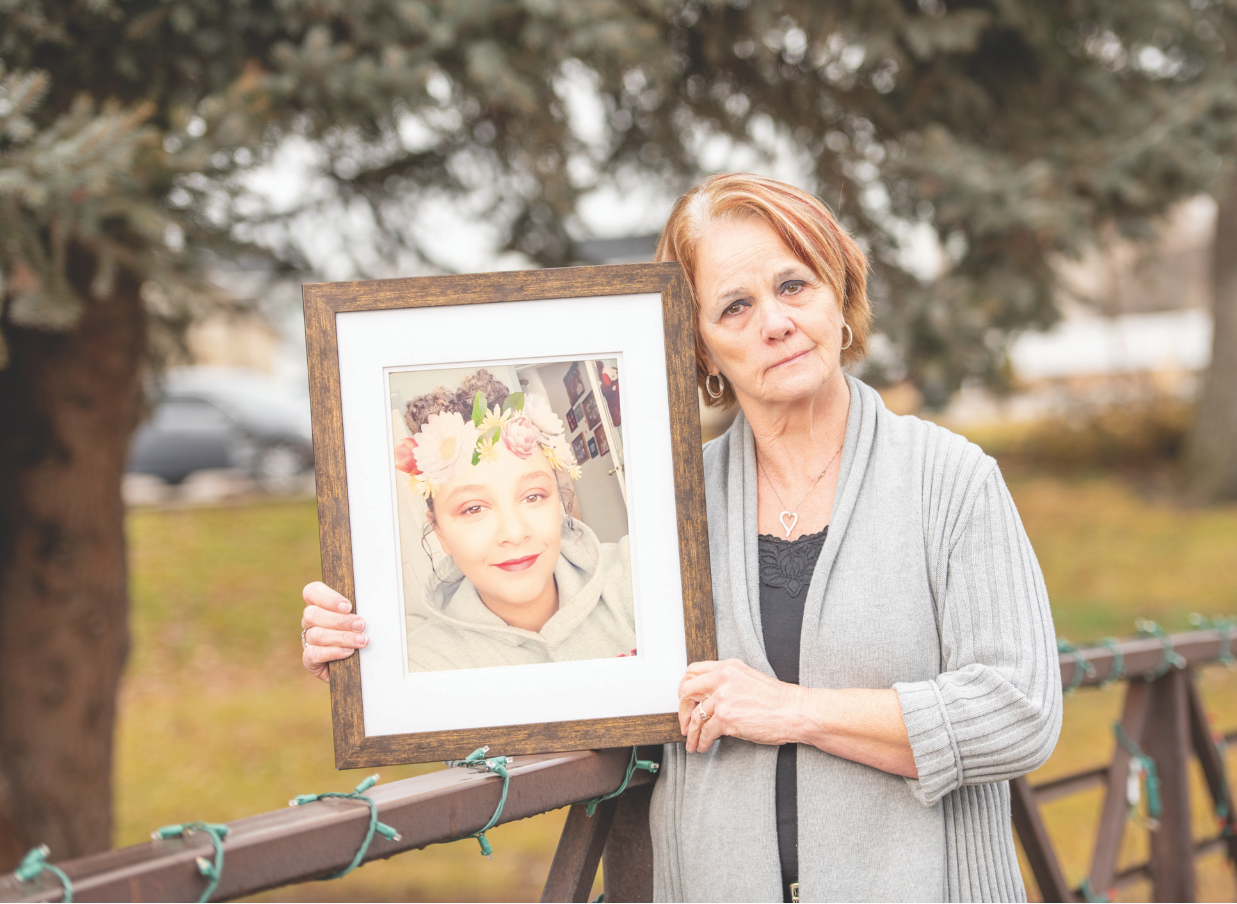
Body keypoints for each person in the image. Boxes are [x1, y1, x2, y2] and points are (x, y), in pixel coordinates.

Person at [301, 173, 1061, 902]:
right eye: (734, 307)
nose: (775, 321)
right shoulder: (672, 505)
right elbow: (559, 688)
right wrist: (376, 655)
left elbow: (1018, 711)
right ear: (697, 348)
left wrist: (790, 710)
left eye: (794, 285)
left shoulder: (950, 481)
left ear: (838, 294)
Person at [304, 368, 635, 677]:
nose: (514, 533)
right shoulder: (420, 665)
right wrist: (355, 684)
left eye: (533, 496)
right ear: (440, 533)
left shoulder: (640, 579)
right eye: (474, 508)